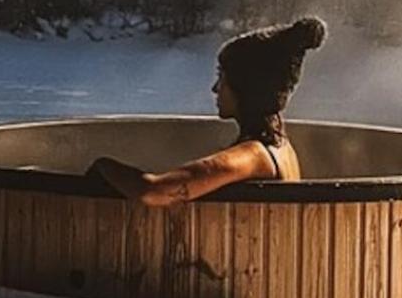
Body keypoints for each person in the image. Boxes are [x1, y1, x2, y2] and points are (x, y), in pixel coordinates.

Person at [87, 17, 327, 206]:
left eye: (222, 78)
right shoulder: (280, 146)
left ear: (246, 88)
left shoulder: (253, 156)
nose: (215, 89)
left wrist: (103, 166)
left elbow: (155, 192)